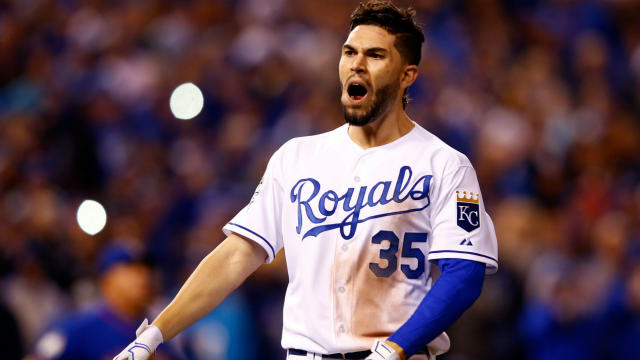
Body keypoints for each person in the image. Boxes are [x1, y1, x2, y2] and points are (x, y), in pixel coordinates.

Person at [114, 1, 498, 359]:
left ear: (406, 75)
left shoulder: (444, 163)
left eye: (375, 55)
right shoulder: (297, 157)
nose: (357, 64)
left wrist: (395, 350)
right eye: (350, 52)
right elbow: (236, 255)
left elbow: (464, 274)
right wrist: (152, 335)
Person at [30, 244, 174, 360]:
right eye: (131, 269)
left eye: (146, 270)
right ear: (106, 278)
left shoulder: (160, 328)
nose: (143, 277)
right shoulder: (77, 327)